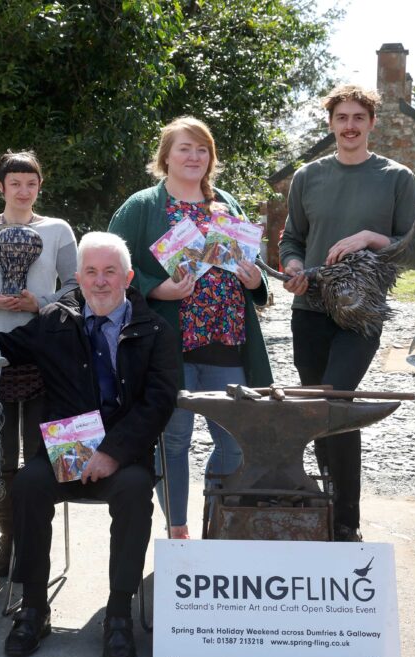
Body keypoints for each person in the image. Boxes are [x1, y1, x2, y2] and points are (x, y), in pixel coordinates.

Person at [0, 232, 176, 657]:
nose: (100, 281)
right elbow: (2, 345)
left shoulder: (156, 331)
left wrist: (112, 451)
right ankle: (34, 608)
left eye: (111, 272)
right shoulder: (56, 320)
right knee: (29, 484)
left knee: (133, 493)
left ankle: (117, 616)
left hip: (124, 453)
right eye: (91, 271)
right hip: (67, 449)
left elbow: (160, 401)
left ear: (128, 278)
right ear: (78, 277)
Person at [108, 116, 273, 540]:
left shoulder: (226, 205)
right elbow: (111, 267)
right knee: (174, 442)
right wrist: (155, 288)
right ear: (166, 157)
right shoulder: (143, 206)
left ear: (211, 158)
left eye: (202, 150)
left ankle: (215, 523)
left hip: (228, 344)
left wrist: (256, 282)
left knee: (235, 442)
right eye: (184, 148)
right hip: (171, 350)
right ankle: (177, 531)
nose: (194, 157)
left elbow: (251, 268)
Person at [279, 85, 415, 542]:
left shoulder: (397, 178)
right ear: (330, 124)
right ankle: (324, 507)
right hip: (309, 308)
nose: (349, 126)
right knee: (317, 407)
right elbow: (291, 241)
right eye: (341, 117)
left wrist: (370, 238)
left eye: (358, 117)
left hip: (361, 314)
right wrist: (294, 267)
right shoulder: (308, 176)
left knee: (335, 401)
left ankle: (346, 522)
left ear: (371, 123)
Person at [0, 150, 77, 577]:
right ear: (0, 186)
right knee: (1, 457)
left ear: (39, 186)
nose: (23, 191)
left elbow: (76, 289)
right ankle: (10, 541)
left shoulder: (59, 230)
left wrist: (40, 302)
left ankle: (33, 541)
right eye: (15, 184)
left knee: (42, 454)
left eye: (31, 183)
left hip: (45, 347)